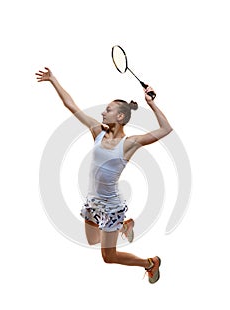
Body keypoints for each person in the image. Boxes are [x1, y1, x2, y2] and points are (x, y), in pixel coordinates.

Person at [35, 67, 173, 284]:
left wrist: (152, 104)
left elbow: (166, 129)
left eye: (107, 110)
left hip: (110, 206)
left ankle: (150, 262)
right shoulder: (97, 132)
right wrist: (53, 79)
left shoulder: (129, 144)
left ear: (119, 116)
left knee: (108, 257)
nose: (102, 113)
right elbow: (71, 105)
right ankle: (124, 226)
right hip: (92, 202)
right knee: (92, 241)